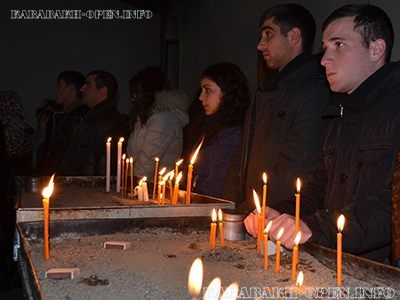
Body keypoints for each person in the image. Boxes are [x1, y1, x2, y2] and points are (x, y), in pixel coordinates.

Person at [245, 4, 400, 264]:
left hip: (382, 272)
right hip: (338, 262)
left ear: (376, 49)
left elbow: (392, 208)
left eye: (339, 45)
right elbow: (320, 187)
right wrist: (283, 214)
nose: (324, 59)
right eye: (326, 47)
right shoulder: (340, 110)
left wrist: (319, 228)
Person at [224, 4, 330, 209]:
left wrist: (252, 211)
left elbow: (294, 168)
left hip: (278, 219)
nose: (260, 45)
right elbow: (241, 156)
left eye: (268, 34)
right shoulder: (267, 90)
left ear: (293, 36)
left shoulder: (314, 92)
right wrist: (232, 205)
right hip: (251, 214)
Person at [190, 63, 250, 198]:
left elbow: (216, 186)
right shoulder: (211, 126)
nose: (200, 97)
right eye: (202, 90)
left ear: (227, 93)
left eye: (208, 90)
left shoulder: (233, 134)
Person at [59, 70, 128, 175]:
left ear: (103, 92)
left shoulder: (108, 124)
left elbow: (106, 171)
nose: (82, 89)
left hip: (89, 189)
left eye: (88, 85)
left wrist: (95, 190)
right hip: (78, 188)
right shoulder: (90, 118)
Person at [126, 66, 190, 181]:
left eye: (137, 93)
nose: (134, 99)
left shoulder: (163, 119)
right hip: (145, 186)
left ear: (149, 92)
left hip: (154, 188)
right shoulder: (147, 117)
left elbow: (147, 162)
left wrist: (131, 185)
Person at [45, 71, 88, 174]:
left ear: (71, 89)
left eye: (60, 86)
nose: (56, 91)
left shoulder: (77, 116)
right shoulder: (64, 115)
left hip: (63, 178)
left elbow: (65, 152)